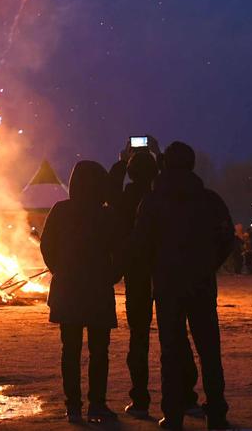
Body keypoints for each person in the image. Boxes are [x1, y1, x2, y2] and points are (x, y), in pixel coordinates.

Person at [132, 142, 233, 431]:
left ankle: (173, 416)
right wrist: (208, 264)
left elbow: (141, 244)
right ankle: (216, 414)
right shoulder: (210, 200)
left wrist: (157, 268)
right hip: (201, 284)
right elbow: (226, 238)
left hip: (167, 287)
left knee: (171, 351)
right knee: (209, 350)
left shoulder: (151, 201)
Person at [42, 161, 121, 423]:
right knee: (100, 351)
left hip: (69, 290)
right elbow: (120, 250)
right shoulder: (107, 215)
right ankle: (97, 404)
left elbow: (46, 247)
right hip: (98, 289)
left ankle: (73, 406)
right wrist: (111, 276)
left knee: (70, 350)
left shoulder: (60, 210)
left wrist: (60, 271)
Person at [112, 149, 158, 418]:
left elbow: (109, 194)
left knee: (138, 338)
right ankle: (185, 398)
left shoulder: (126, 199)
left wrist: (121, 162)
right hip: (166, 273)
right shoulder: (164, 197)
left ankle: (140, 400)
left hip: (137, 275)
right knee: (175, 339)